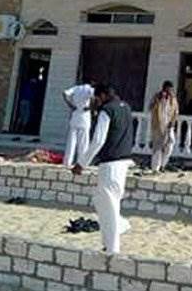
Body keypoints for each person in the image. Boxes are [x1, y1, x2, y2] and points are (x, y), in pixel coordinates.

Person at [72, 85, 134, 254]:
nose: (96, 102)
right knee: (102, 200)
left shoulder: (107, 110)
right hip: (123, 162)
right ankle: (117, 231)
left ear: (104, 96)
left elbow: (98, 140)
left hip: (110, 164)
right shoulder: (126, 107)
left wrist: (81, 163)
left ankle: (113, 247)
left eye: (97, 98)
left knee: (109, 205)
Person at [149, 80, 179, 173]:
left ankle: (163, 164)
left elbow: (176, 111)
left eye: (171, 89)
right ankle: (155, 168)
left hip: (169, 126)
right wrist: (159, 100)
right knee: (158, 147)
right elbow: (150, 107)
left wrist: (173, 122)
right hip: (158, 125)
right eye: (168, 89)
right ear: (164, 88)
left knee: (170, 143)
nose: (170, 91)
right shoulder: (157, 97)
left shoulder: (173, 99)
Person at [61, 82, 94, 168]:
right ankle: (81, 162)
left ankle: (67, 162)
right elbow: (94, 97)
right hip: (84, 116)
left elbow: (64, 93)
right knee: (83, 142)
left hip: (75, 115)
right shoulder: (89, 89)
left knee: (71, 141)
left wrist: (70, 105)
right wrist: (91, 107)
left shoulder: (76, 88)